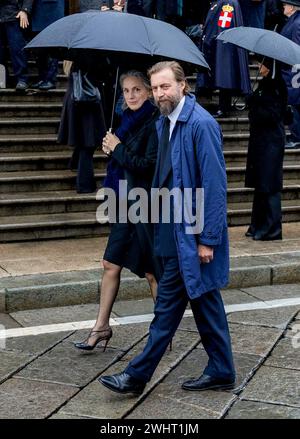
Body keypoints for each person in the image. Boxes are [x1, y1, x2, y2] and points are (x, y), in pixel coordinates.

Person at [99, 61, 236, 395]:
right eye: (156, 88)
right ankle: (222, 369)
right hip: (168, 227)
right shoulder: (164, 122)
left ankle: (136, 376)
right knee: (205, 302)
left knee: (167, 308)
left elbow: (215, 186)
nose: (160, 94)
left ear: (182, 86)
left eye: (165, 87)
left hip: (190, 235)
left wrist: (208, 239)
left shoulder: (200, 124)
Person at [74, 70, 161, 351]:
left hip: (143, 203)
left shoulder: (154, 121)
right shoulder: (124, 120)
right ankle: (101, 327)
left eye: (136, 90)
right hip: (122, 201)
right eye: (126, 91)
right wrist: (112, 148)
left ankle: (162, 331)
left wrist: (119, 148)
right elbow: (125, 158)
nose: (131, 95)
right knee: (111, 263)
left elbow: (146, 165)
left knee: (151, 272)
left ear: (148, 92)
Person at [245, 61, 287, 241]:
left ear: (269, 68)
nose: (259, 67)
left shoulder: (277, 85)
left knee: (269, 186)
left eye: (262, 64)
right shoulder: (265, 84)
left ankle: (271, 228)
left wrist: (254, 104)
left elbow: (273, 114)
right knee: (261, 185)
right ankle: (257, 225)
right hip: (261, 142)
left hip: (271, 143)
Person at [196, 0, 251, 118]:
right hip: (224, 46)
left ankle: (223, 107)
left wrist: (206, 41)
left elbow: (220, 25)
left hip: (222, 47)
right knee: (225, 76)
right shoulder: (229, 2)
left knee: (224, 76)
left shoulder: (225, 4)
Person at [57, 61, 106, 193]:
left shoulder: (73, 56)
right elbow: (101, 73)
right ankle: (85, 184)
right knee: (88, 143)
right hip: (87, 100)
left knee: (83, 138)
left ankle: (74, 162)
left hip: (77, 98)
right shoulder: (88, 56)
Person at [31, 0, 64, 90]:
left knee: (53, 49)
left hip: (54, 9)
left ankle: (51, 79)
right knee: (39, 49)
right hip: (38, 10)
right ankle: (42, 78)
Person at [280, 0, 300, 148]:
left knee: (295, 103)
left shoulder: (297, 23)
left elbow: (296, 49)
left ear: (292, 7)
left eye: (285, 5)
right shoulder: (293, 21)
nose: (283, 7)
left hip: (295, 71)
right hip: (293, 70)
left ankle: (296, 137)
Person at [0, 0, 32, 90]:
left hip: (15, 14)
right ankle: (2, 79)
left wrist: (25, 10)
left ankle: (22, 79)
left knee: (17, 49)